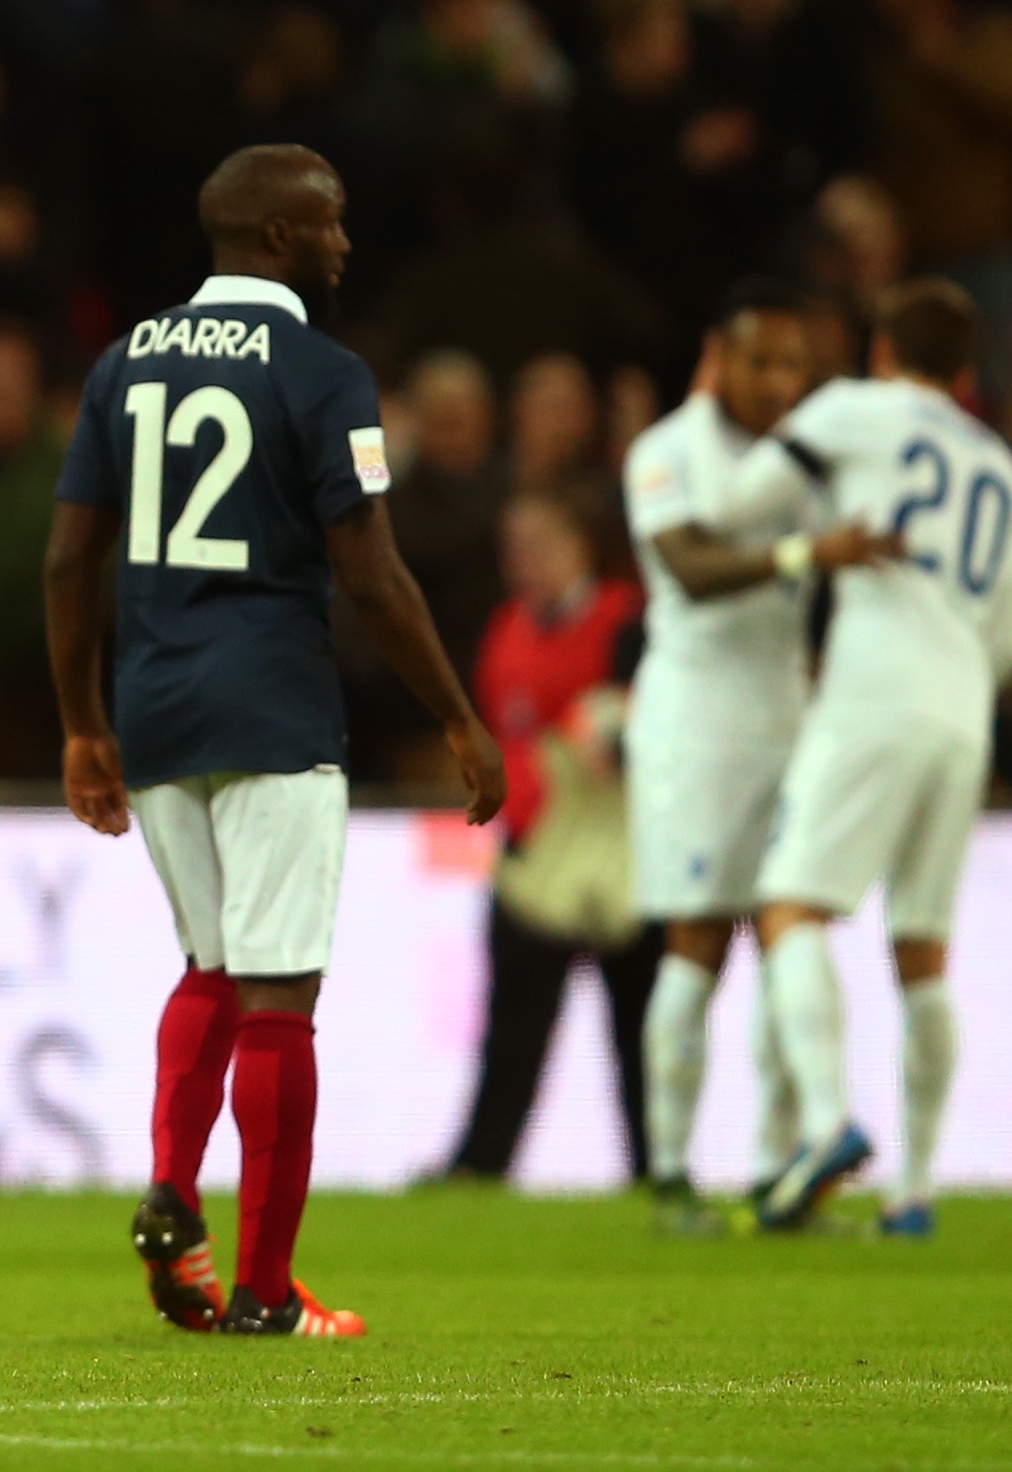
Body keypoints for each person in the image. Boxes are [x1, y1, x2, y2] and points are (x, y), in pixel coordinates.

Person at [43, 144, 506, 1339]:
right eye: (334, 223)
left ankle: (169, 1187)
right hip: (273, 707)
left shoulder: (122, 363)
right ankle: (262, 1289)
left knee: (207, 965)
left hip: (151, 710)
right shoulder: (325, 372)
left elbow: (66, 560)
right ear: (282, 238)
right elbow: (373, 570)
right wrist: (457, 712)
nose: (347, 243)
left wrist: (83, 723)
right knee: (279, 997)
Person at [711, 280, 1012, 1235]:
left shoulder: (856, 409)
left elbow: (739, 504)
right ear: (968, 370)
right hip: (963, 716)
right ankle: (917, 1190)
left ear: (885, 351)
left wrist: (809, 536)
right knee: (924, 953)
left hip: (874, 696)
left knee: (789, 907)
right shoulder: (1005, 471)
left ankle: (825, 1126)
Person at [624, 281, 899, 1231]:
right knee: (697, 944)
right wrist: (802, 557)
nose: (782, 381)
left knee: (790, 934)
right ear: (720, 357)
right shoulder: (666, 450)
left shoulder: (805, 462)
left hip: (790, 717)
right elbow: (692, 570)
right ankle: (666, 1175)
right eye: (765, 361)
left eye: (797, 365)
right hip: (696, 727)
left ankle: (782, 1166)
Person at [438, 489, 654, 1186]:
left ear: (579, 545)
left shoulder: (628, 623)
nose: (522, 561)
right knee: (512, 1029)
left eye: (539, 544)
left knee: (640, 1029)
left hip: (621, 855)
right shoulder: (507, 630)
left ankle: (655, 1167)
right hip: (532, 855)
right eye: (514, 548)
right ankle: (482, 1164)